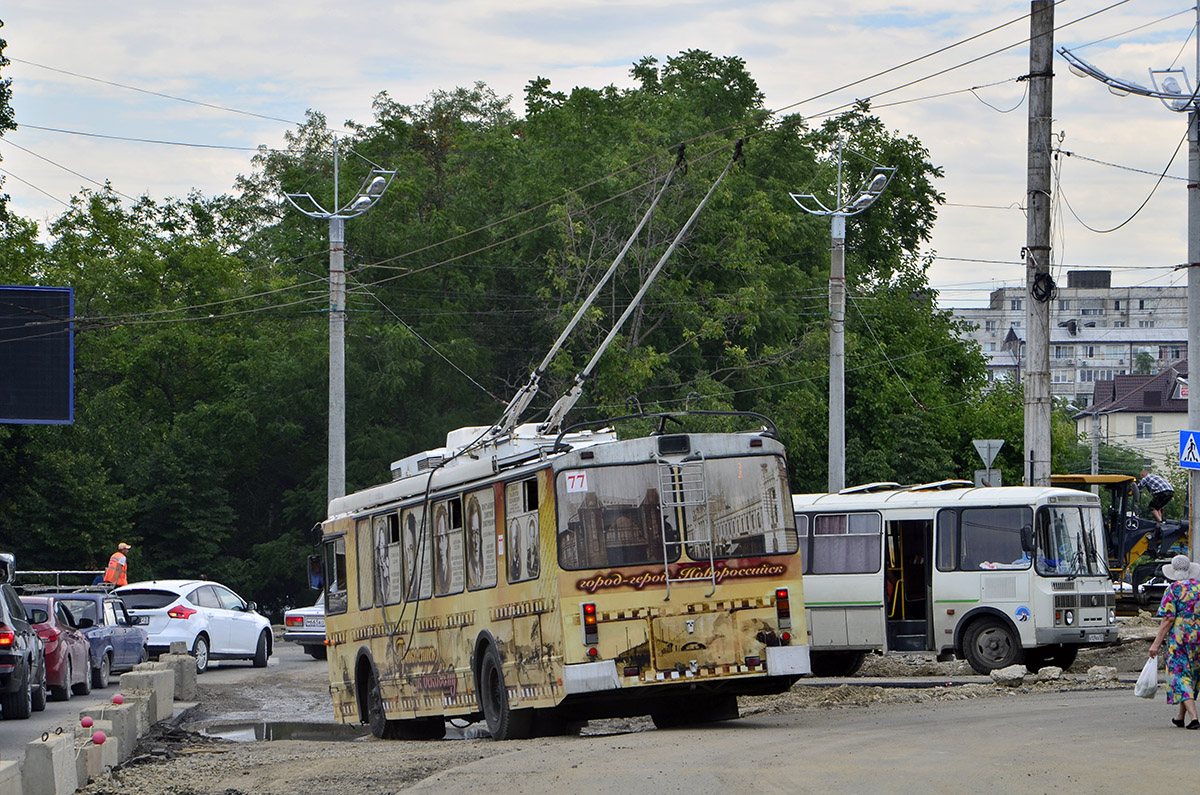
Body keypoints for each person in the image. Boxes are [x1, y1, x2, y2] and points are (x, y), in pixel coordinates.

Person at [1149, 554, 1200, 729]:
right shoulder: (1199, 588)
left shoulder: (1173, 590)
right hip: (1198, 638)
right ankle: (1180, 716)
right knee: (1192, 676)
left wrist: (1156, 643)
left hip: (1180, 639)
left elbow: (1168, 620)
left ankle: (1194, 718)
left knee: (1180, 676)